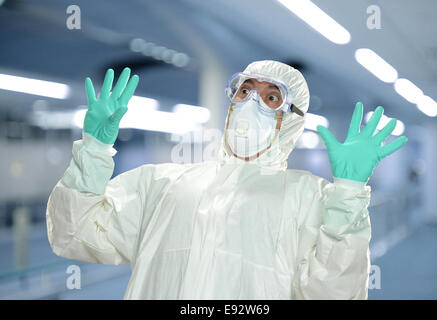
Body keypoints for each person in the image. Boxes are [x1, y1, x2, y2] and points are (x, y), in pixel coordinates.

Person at [46, 60, 407, 299]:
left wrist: (347, 196)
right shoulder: (161, 184)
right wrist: (93, 149)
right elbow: (73, 235)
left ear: (291, 120)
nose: (252, 102)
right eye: (245, 91)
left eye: (270, 97)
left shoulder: (308, 198)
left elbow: (334, 293)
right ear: (232, 101)